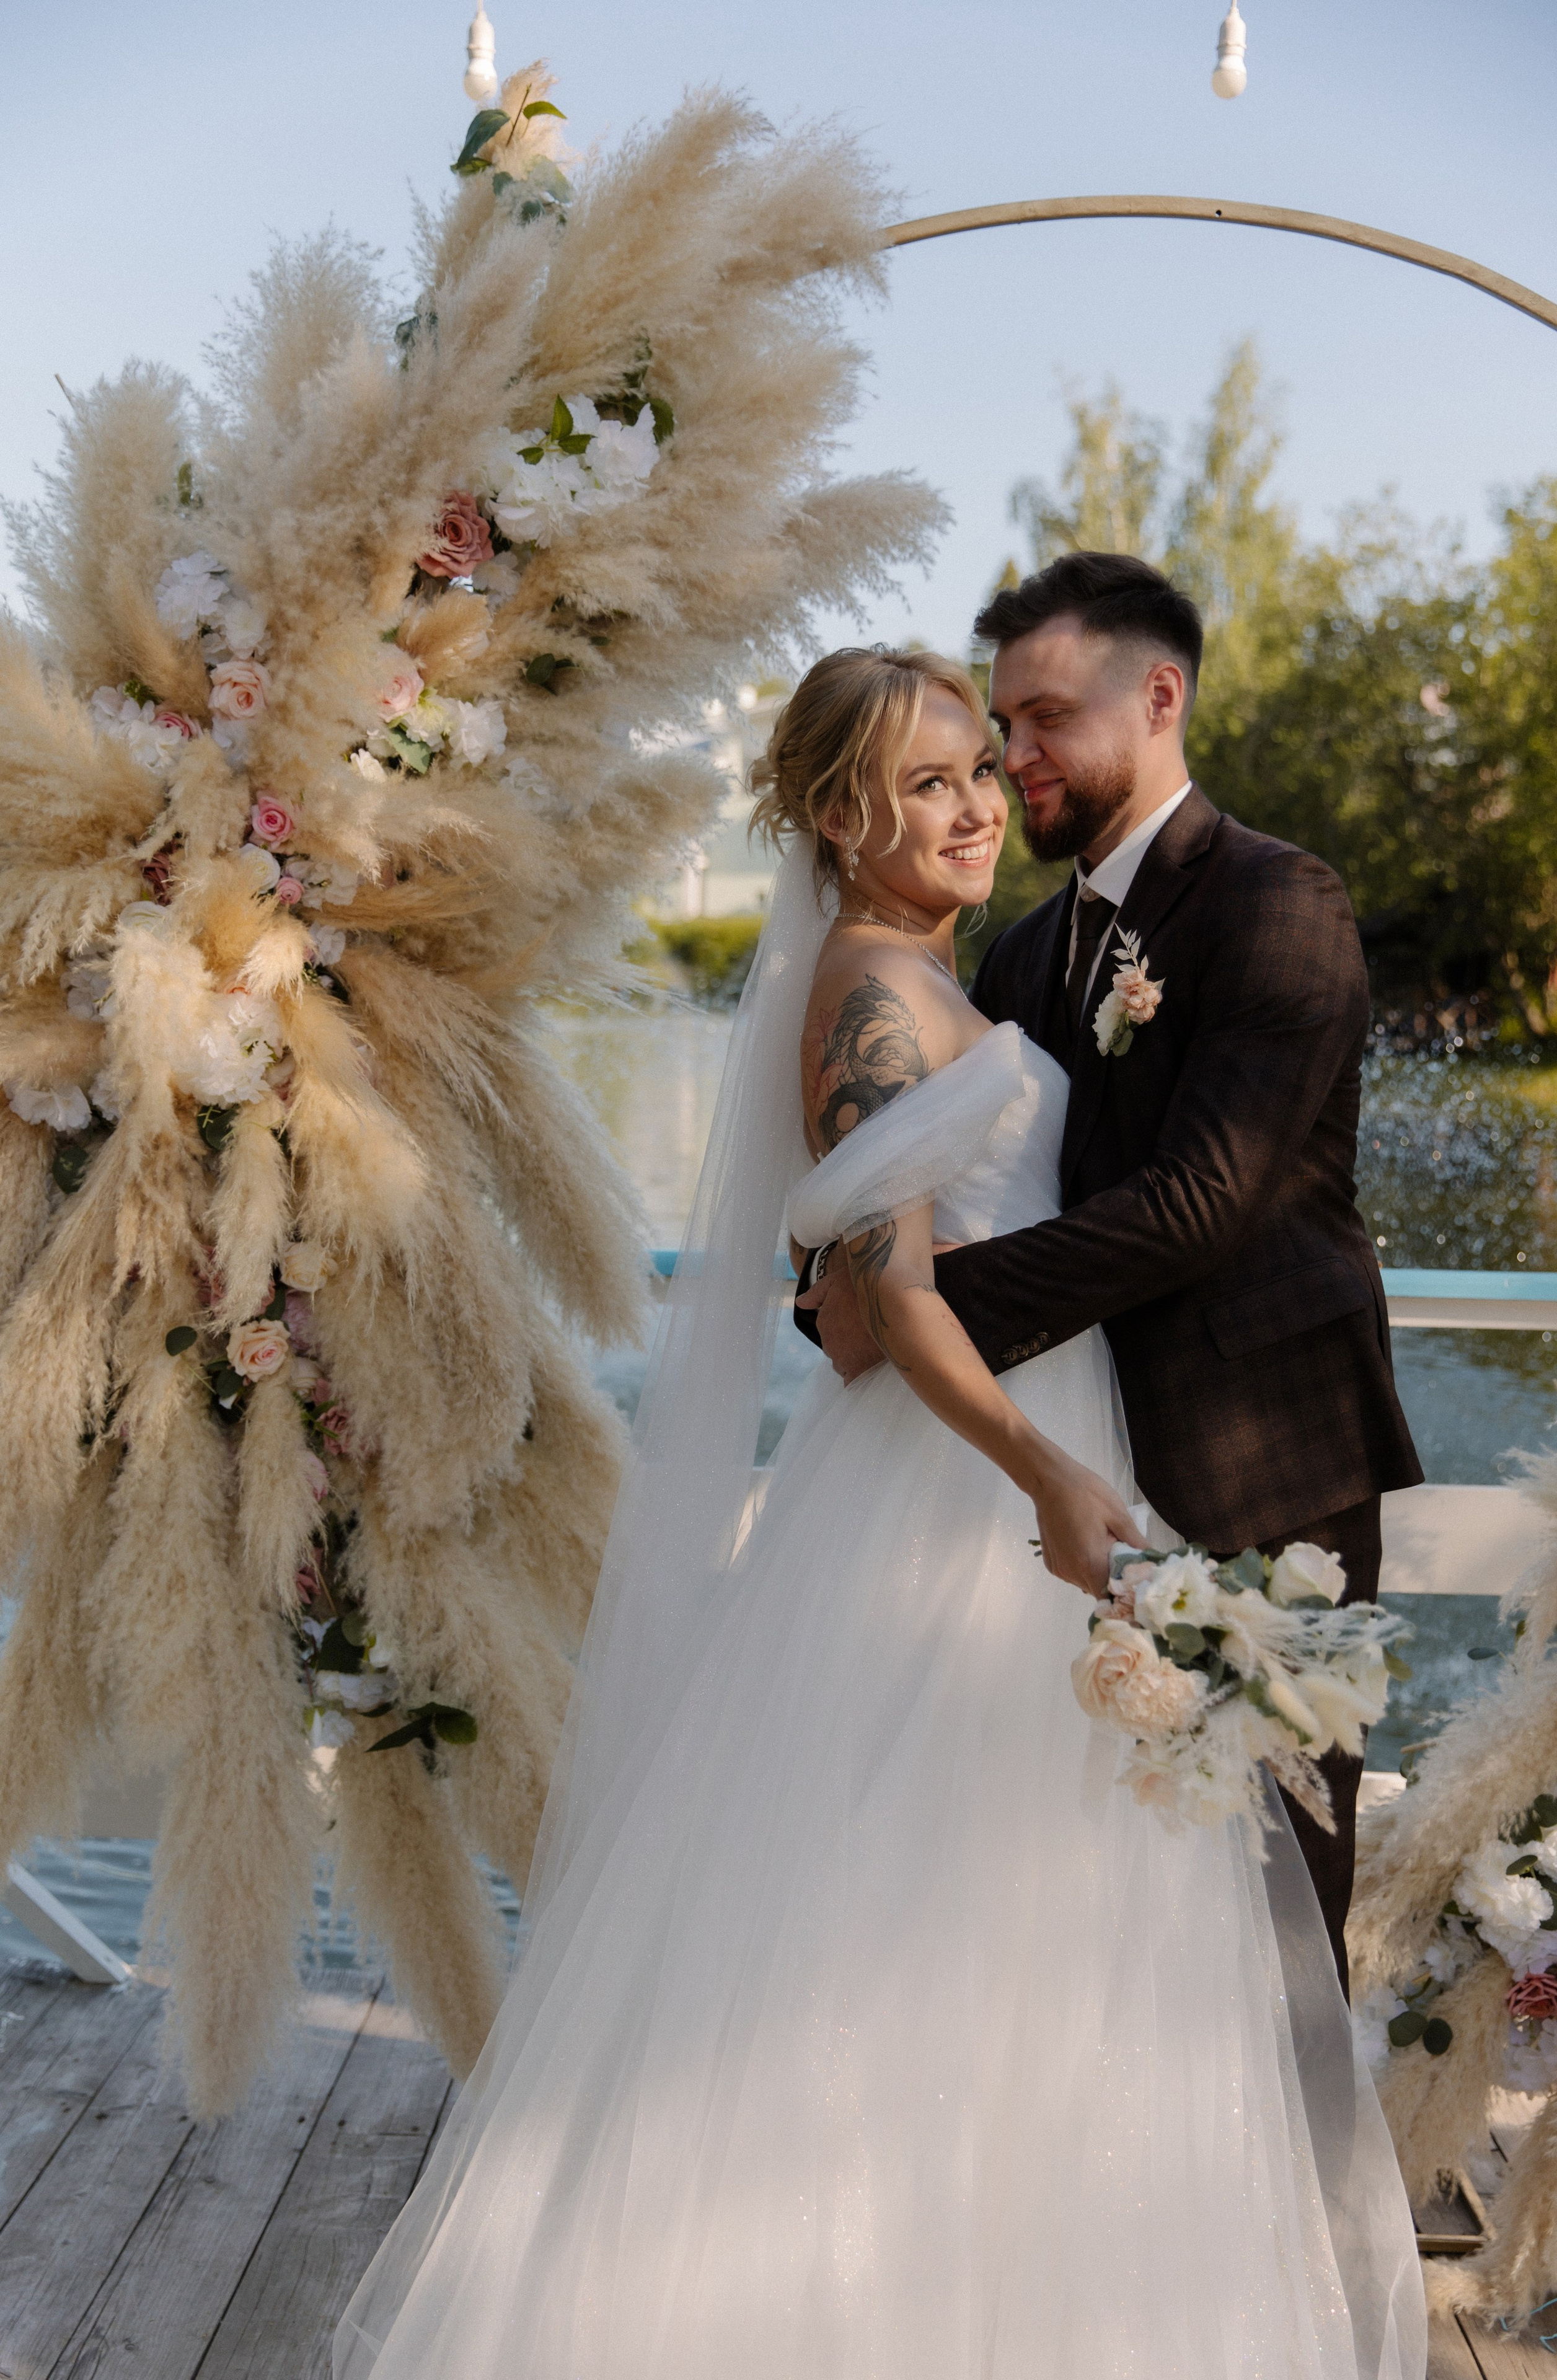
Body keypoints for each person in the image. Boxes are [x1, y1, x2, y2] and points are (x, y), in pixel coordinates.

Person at [336, 645, 1424, 2380]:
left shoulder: (938, 977)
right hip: (958, 1497)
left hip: (1011, 1472)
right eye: (929, 783)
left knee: (1034, 1923)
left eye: (980, 771)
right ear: (842, 815)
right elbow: (891, 1300)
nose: (979, 803)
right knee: (913, 1915)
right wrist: (1054, 1477)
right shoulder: (872, 996)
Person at [799, 556, 1423, 1992]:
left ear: (1157, 696)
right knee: (1088, 1906)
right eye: (993, 731)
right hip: (1081, 1482)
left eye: (1038, 721)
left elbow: (1200, 1204)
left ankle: (1304, 2215)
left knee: (1275, 1899)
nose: (1011, 762)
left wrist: (914, 1314)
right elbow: (908, 1168)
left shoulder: (1279, 903)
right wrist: (843, 1290)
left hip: (1260, 1468)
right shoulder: (1020, 953)